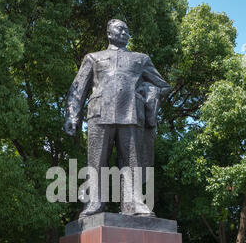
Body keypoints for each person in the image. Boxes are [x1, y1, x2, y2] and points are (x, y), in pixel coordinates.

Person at [64, 19, 170, 217]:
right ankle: (94, 202)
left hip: (131, 114)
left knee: (132, 161)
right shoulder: (93, 58)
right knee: (96, 161)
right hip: (99, 113)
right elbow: (77, 89)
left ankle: (133, 203)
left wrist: (147, 92)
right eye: (120, 28)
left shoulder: (141, 59)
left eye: (127, 30)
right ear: (109, 32)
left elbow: (162, 86)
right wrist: (72, 116)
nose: (124, 32)